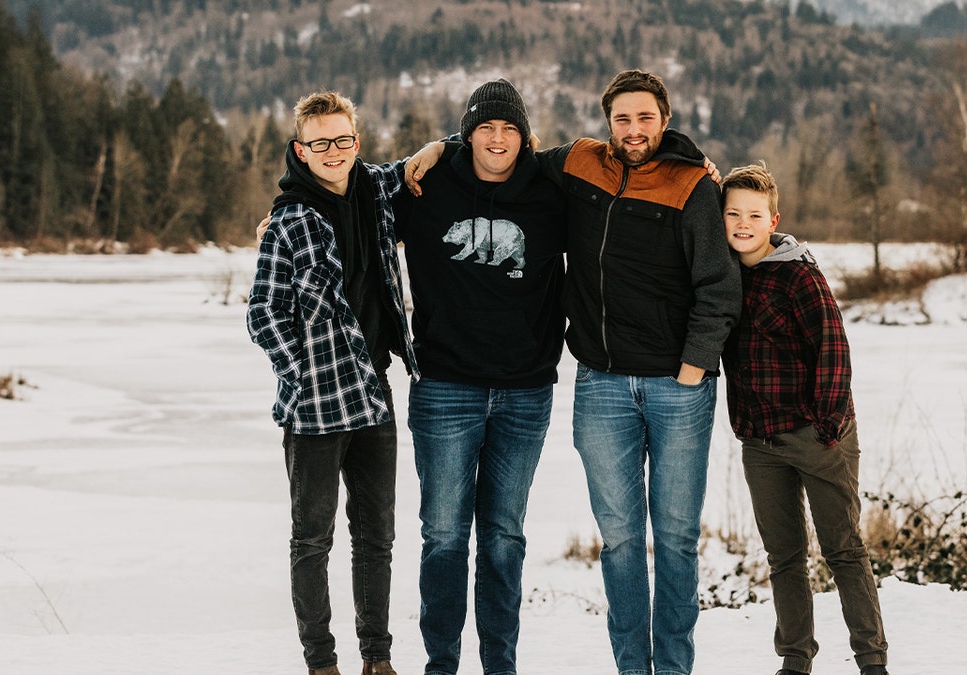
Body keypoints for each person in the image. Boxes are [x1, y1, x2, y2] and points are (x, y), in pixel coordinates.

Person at [407, 68, 740, 675]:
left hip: (670, 385)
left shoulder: (691, 183)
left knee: (672, 539)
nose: (634, 129)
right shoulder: (578, 164)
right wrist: (439, 147)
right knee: (612, 542)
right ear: (606, 121)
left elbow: (720, 283)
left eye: (645, 117)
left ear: (665, 119)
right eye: (622, 118)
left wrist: (696, 365)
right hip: (597, 383)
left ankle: (671, 669)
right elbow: (493, 146)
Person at [394, 79, 566, 675]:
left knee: (503, 538)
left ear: (525, 136)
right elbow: (346, 200)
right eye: (485, 128)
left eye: (509, 129)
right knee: (443, 534)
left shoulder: (551, 192)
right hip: (444, 386)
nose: (498, 139)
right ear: (468, 134)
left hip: (526, 391)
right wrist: (283, 221)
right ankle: (441, 663)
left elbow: (622, 185)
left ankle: (500, 665)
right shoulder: (423, 187)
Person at [247, 90, 417, 675]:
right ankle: (321, 662)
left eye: (343, 140)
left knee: (377, 537)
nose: (333, 151)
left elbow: (416, 167)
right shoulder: (289, 222)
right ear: (301, 148)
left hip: (373, 394)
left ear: (356, 142)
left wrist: (449, 143)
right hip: (315, 406)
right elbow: (262, 314)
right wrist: (300, 372)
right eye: (320, 143)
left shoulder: (375, 196)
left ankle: (378, 658)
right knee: (311, 540)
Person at [718, 163, 890, 675]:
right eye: (732, 214)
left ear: (774, 219)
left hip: (818, 436)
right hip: (759, 441)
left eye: (754, 215)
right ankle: (795, 660)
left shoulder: (798, 275)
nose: (743, 224)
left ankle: (872, 661)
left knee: (843, 550)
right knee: (784, 558)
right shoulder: (724, 276)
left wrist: (827, 425)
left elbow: (833, 348)